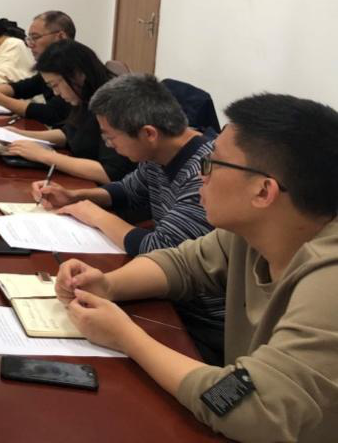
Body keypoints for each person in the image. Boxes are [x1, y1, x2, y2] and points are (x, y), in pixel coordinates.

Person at [55, 93, 338, 443]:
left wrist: (126, 337)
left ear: (263, 192)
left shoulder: (330, 279)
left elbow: (252, 406)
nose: (201, 175)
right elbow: (183, 264)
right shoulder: (252, 232)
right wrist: (108, 285)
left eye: (212, 163)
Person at [33, 74, 223, 363]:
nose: (109, 145)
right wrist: (73, 196)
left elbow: (159, 248)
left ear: (148, 133)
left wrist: (94, 214)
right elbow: (126, 191)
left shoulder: (205, 175)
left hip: (197, 319)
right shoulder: (161, 153)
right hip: (164, 296)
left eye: (110, 137)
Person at [5, 40, 135, 183]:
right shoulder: (85, 95)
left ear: (79, 74)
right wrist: (20, 135)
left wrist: (44, 156)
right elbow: (69, 134)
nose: (56, 93)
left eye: (55, 85)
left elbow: (111, 174)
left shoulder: (113, 103)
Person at [0, 10, 74, 126]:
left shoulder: (74, 66)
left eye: (35, 37)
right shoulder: (52, 65)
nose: (30, 45)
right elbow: (24, 87)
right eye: (29, 38)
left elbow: (53, 114)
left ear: (60, 37)